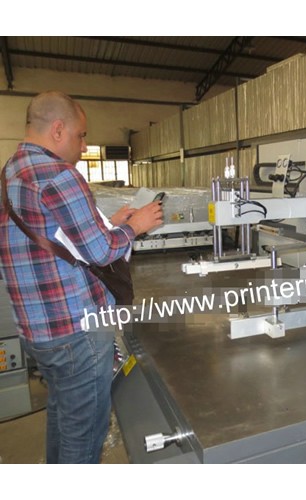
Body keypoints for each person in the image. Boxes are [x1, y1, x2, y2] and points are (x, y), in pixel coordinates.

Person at [0, 91, 163, 463]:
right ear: (58, 130)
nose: (84, 145)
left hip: (37, 330)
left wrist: (109, 222)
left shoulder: (11, 170)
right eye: (81, 135)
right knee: (84, 437)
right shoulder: (59, 173)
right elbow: (101, 253)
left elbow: (55, 235)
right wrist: (136, 226)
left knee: (62, 417)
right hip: (76, 332)